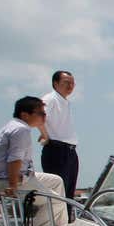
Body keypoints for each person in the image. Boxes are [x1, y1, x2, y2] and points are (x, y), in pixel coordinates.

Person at [0, 96, 69, 226]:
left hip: (12, 175)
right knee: (58, 201)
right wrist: (12, 184)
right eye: (41, 113)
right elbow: (14, 159)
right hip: (11, 179)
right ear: (25, 115)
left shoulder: (12, 126)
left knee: (56, 181)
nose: (44, 117)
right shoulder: (21, 130)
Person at [39, 70, 80, 199]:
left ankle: (66, 219)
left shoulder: (64, 102)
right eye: (66, 82)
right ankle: (58, 219)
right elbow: (38, 116)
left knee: (68, 192)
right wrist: (44, 134)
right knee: (58, 193)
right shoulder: (50, 99)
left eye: (72, 83)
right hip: (56, 150)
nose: (70, 86)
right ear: (55, 83)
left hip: (70, 151)